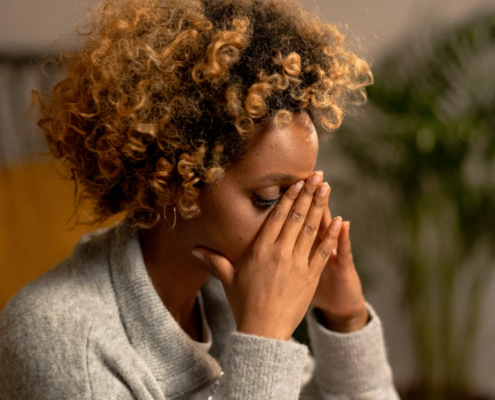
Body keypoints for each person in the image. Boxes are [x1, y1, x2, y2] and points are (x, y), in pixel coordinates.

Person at [0, 0, 400, 398]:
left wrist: (345, 319)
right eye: (267, 197)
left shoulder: (223, 300)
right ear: (176, 179)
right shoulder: (61, 341)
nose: (296, 222)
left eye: (302, 193)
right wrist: (264, 341)